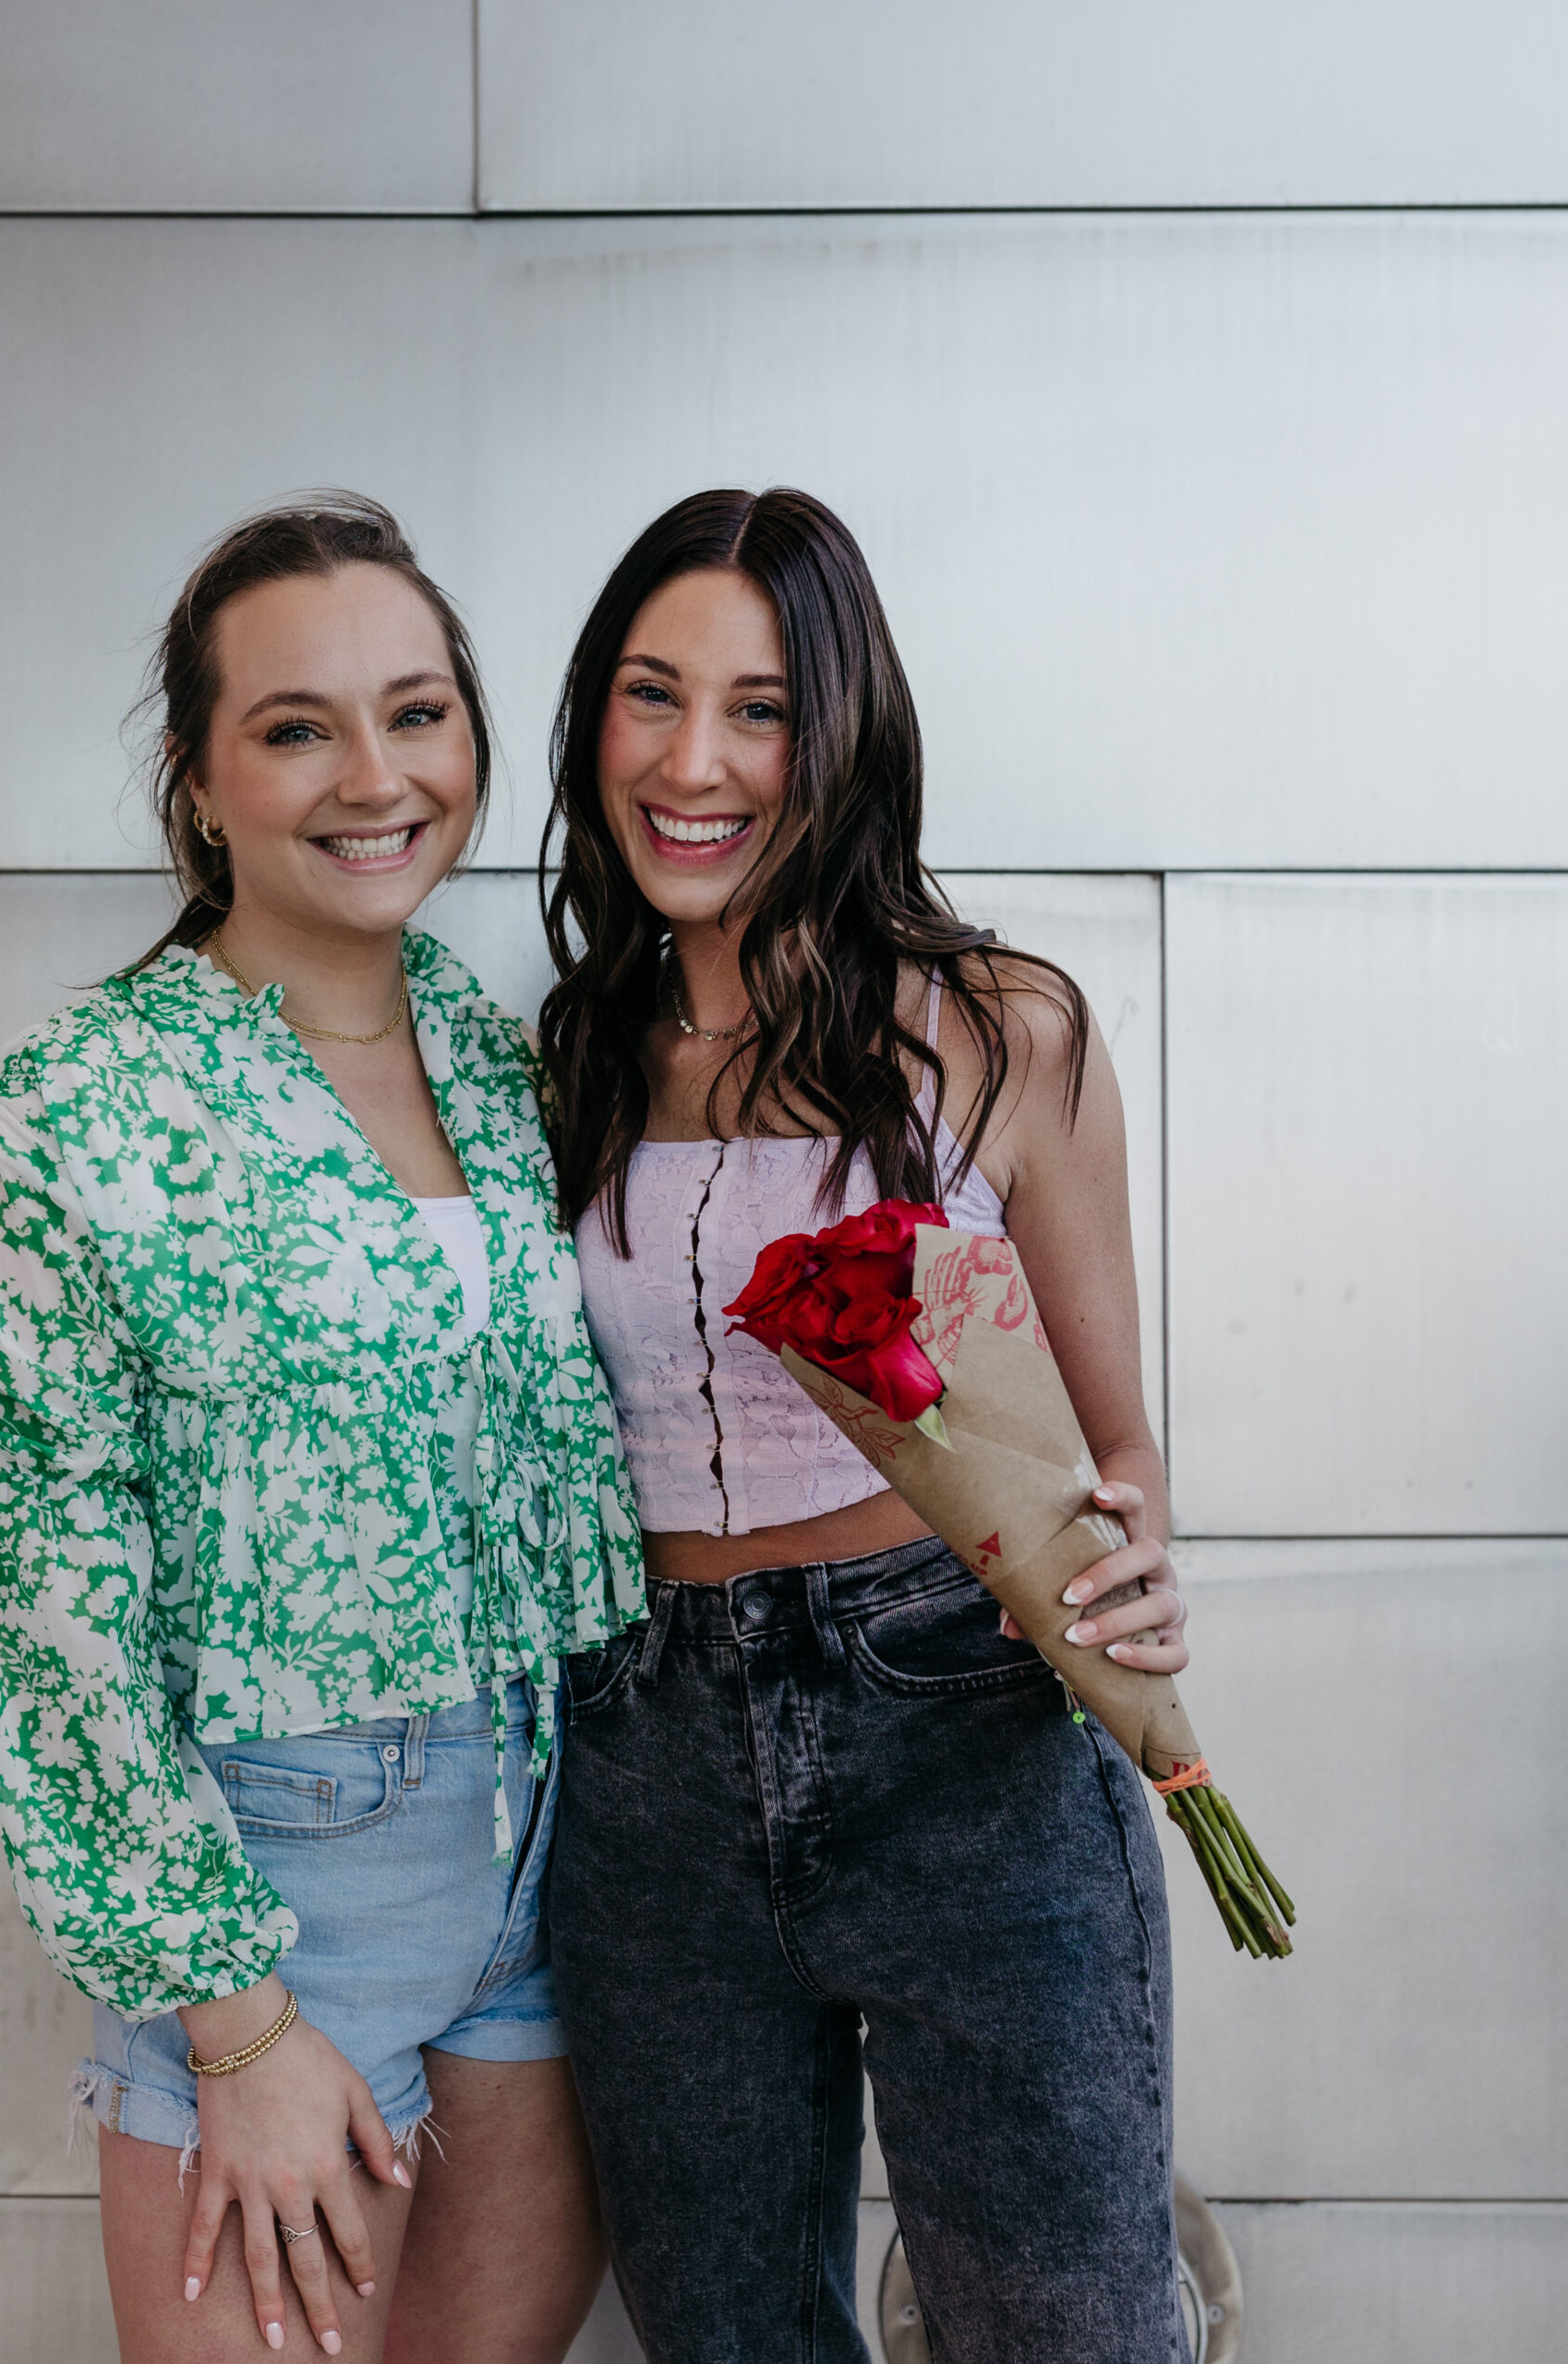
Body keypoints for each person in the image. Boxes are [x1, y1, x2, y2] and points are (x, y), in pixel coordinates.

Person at [0, 497, 643, 2364]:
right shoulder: (68, 1115)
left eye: (416, 712)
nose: (373, 774)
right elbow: (46, 1614)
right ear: (199, 776)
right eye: (298, 725)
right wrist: (231, 2018)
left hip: (559, 1851)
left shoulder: (506, 1064)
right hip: (278, 1882)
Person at [538, 488, 1192, 2364]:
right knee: (728, 2333)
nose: (693, 761)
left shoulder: (1003, 1031)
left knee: (1065, 2330)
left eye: (758, 709)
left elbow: (1109, 1445)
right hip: (641, 1757)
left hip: (964, 1718)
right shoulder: (569, 1048)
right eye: (651, 697)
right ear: (594, 722)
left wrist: (1133, 1559)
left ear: (842, 736)